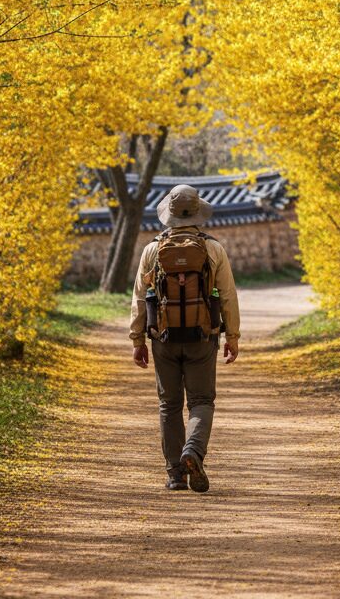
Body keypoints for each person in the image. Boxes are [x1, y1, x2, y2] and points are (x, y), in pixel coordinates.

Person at [129, 183, 240, 493]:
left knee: (169, 405)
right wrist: (232, 336)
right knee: (201, 401)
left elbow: (140, 298)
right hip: (202, 337)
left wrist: (137, 340)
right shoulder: (213, 249)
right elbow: (228, 296)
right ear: (198, 212)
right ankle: (193, 450)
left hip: (163, 338)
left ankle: (175, 474)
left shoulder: (152, 250)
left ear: (169, 214)